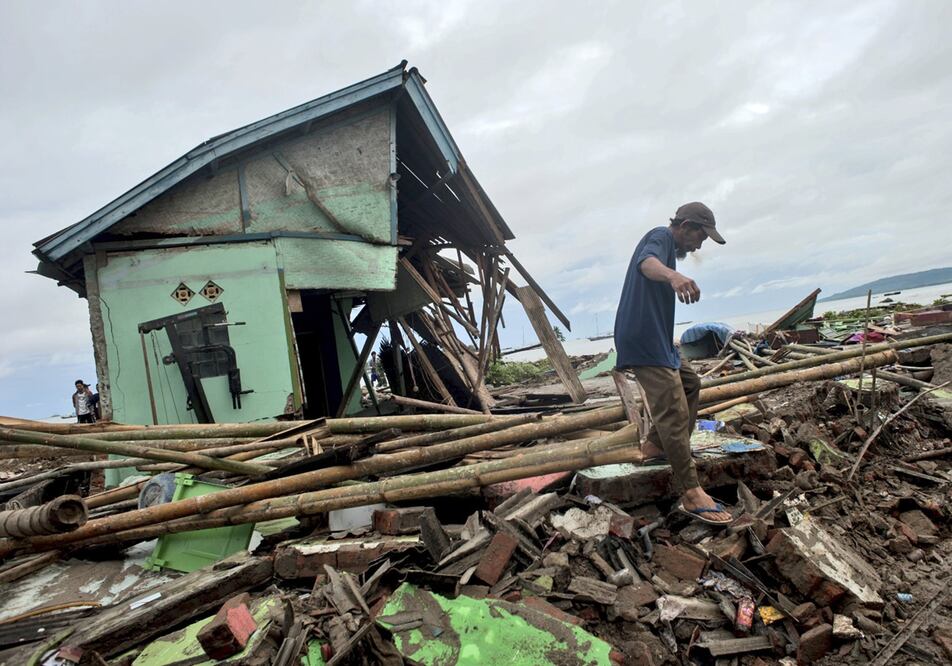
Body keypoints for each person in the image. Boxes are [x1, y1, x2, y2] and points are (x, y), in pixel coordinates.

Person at [613, 202, 732, 525]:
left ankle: (656, 445)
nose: (697, 246)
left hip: (660, 340)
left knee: (691, 384)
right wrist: (674, 276)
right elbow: (645, 264)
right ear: (686, 226)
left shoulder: (668, 243)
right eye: (699, 238)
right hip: (643, 339)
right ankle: (691, 492)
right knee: (673, 409)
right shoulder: (660, 238)